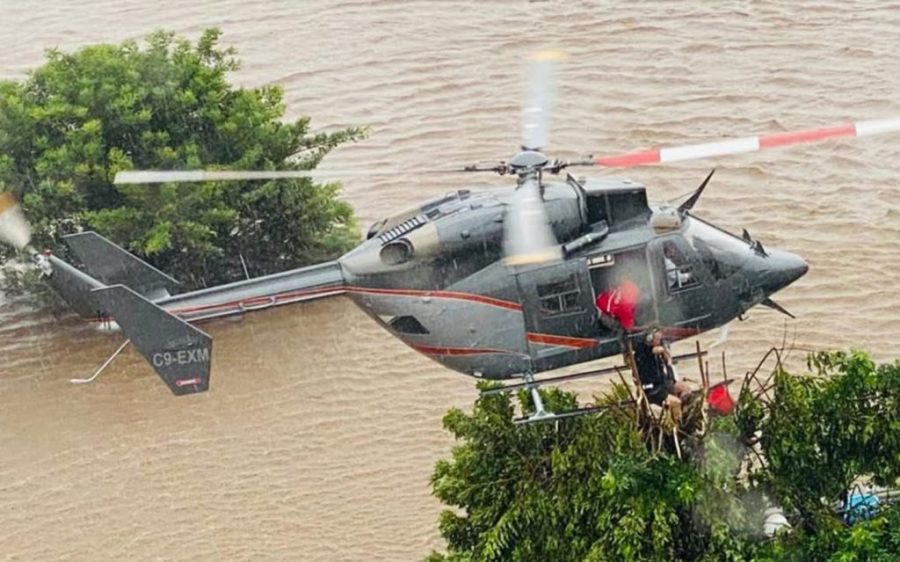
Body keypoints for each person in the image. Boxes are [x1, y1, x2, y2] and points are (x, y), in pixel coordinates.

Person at [632, 329, 690, 422]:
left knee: (685, 389)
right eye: (658, 339)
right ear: (649, 339)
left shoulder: (656, 354)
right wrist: (665, 352)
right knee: (676, 402)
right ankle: (678, 425)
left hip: (662, 384)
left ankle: (682, 413)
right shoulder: (642, 350)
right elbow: (657, 350)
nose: (660, 342)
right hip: (652, 389)